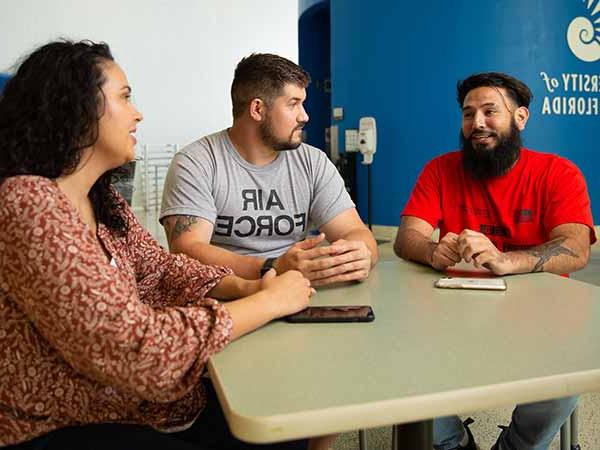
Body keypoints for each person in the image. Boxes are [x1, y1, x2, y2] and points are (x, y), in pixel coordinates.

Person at [0, 40, 314, 450]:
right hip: (63, 426)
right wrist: (268, 303)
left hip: (136, 407)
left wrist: (250, 287)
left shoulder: (101, 199)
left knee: (284, 414)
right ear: (74, 107)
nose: (138, 113)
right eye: (125, 97)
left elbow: (160, 267)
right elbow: (138, 350)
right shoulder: (28, 203)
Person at [394, 72, 596, 450]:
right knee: (405, 376)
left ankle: (516, 446)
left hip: (543, 322)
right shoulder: (439, 169)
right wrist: (431, 251)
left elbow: (576, 247)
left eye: (490, 111)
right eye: (468, 114)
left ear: (520, 118)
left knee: (565, 383)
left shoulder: (558, 172)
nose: (477, 124)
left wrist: (506, 260)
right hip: (450, 317)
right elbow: (407, 238)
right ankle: (454, 443)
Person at [159, 53, 378, 288]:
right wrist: (271, 267)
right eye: (293, 104)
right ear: (257, 109)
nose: (305, 116)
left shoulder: (313, 162)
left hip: (297, 292)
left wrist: (361, 254)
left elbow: (356, 231)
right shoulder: (195, 162)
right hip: (225, 297)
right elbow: (186, 252)